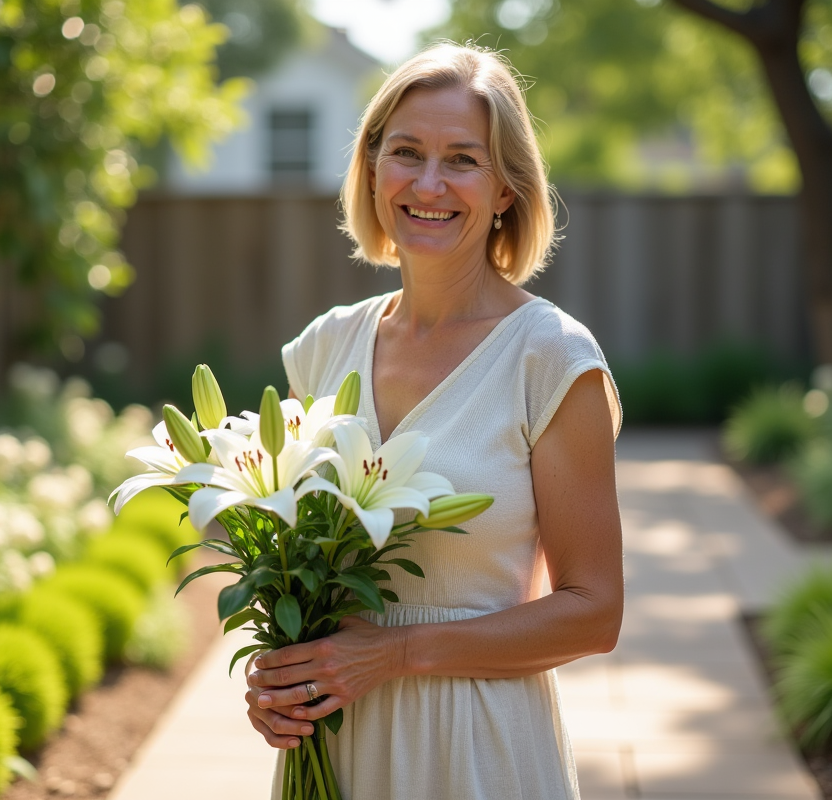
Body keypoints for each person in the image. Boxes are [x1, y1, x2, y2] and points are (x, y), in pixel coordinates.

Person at [244, 42, 624, 800]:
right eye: (406, 153)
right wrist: (281, 675)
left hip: (478, 751)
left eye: (461, 160)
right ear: (373, 167)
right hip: (339, 748)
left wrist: (393, 654)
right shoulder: (324, 348)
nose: (427, 183)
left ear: (506, 189)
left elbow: (595, 612)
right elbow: (300, 566)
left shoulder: (548, 357)